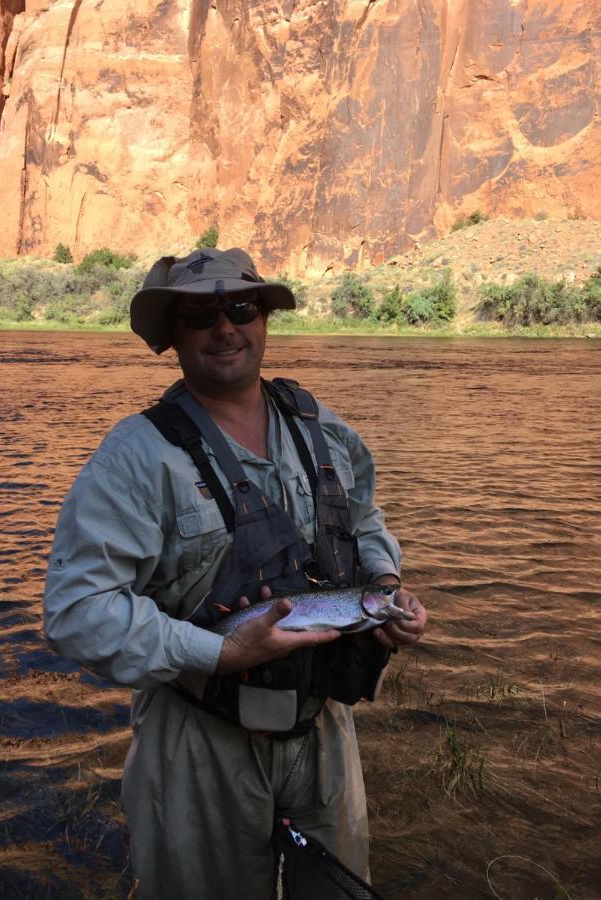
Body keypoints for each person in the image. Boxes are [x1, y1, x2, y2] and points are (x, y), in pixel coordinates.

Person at [43, 247, 427, 900]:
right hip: (197, 745)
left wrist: (386, 588)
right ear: (171, 334)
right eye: (199, 314)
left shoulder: (325, 432)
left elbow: (362, 522)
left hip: (324, 731)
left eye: (241, 307)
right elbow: (77, 613)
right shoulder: (135, 457)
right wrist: (219, 652)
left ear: (264, 319)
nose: (225, 327)